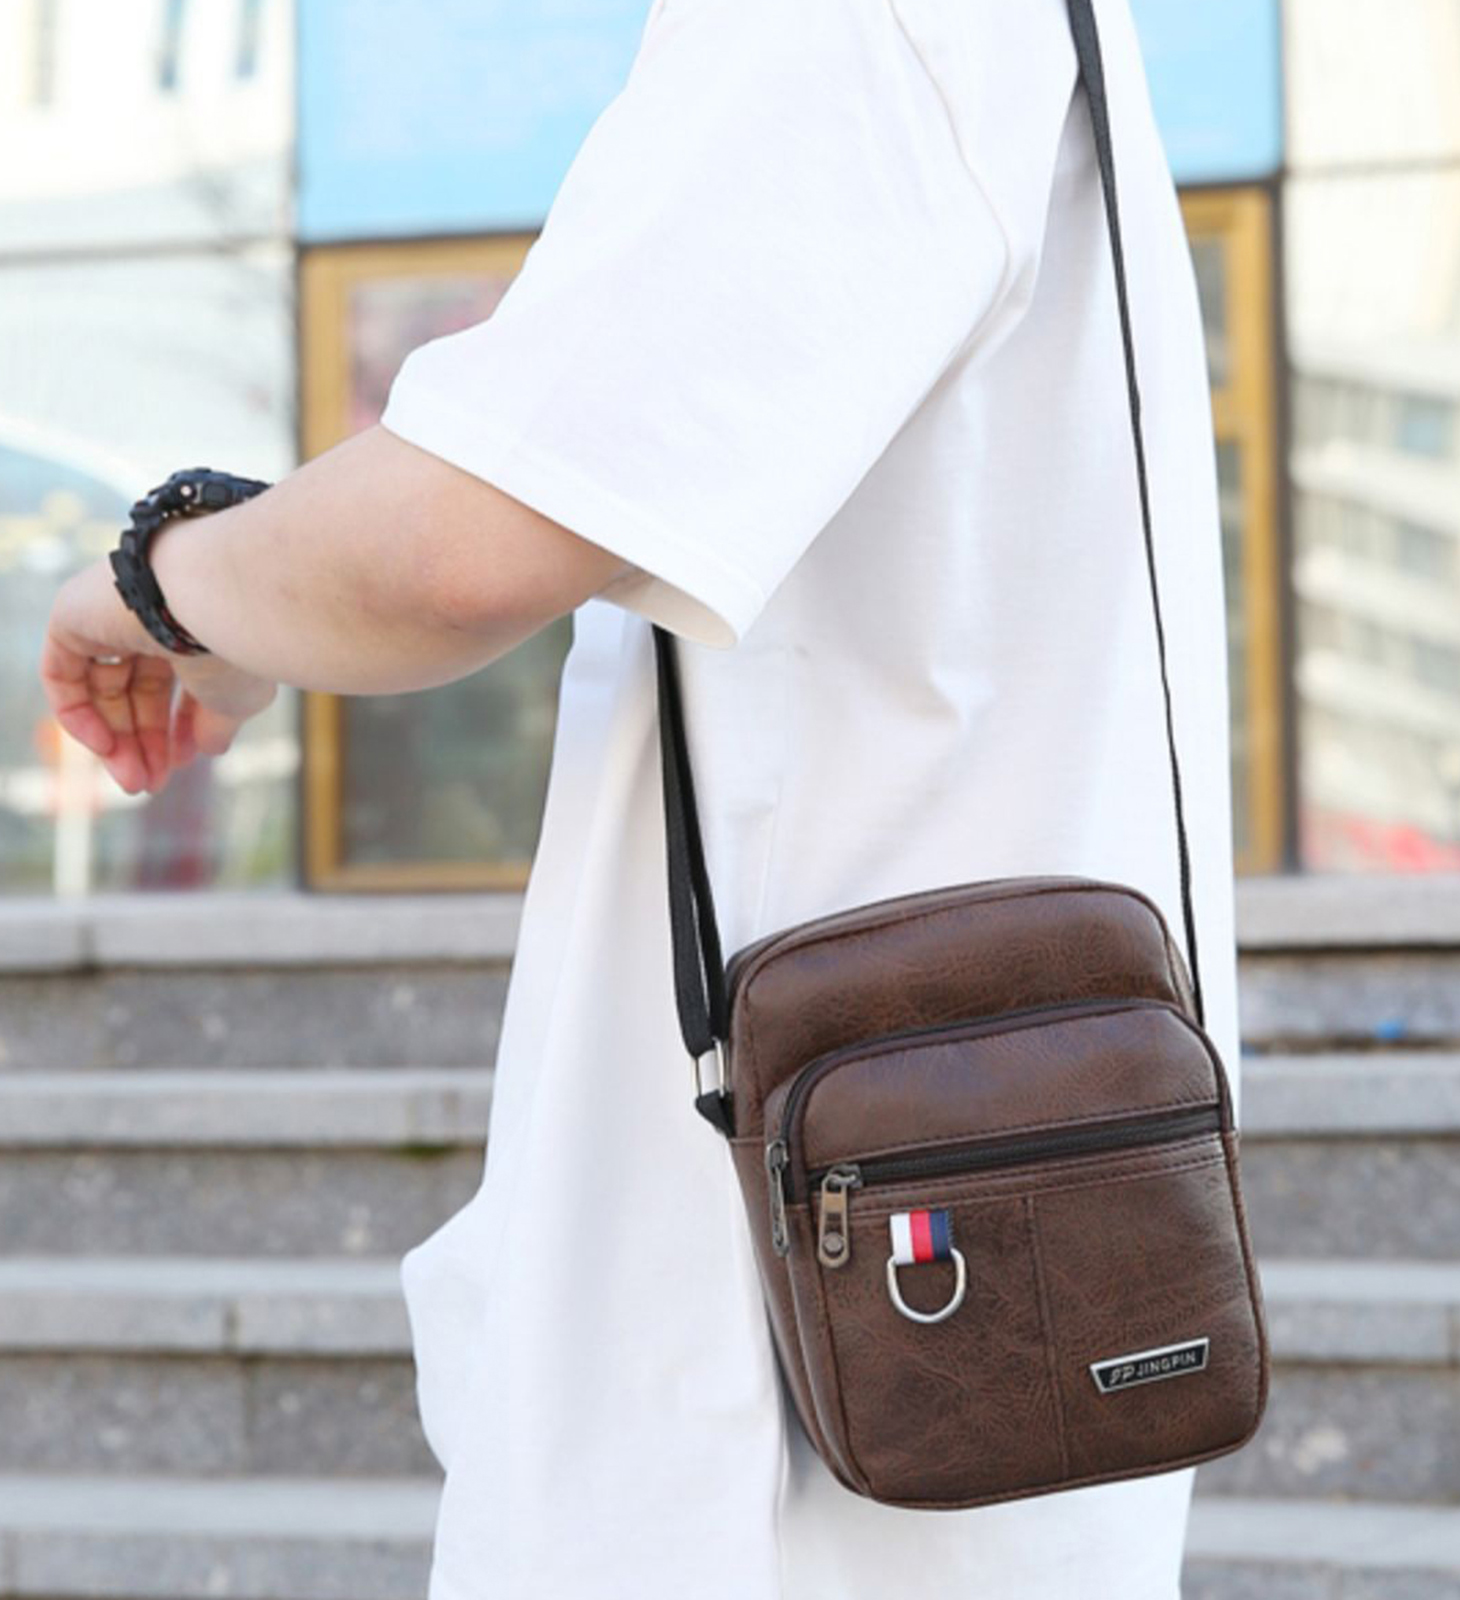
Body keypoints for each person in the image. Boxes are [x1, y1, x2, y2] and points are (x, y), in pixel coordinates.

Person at [40, 0, 1240, 1594]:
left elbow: (456, 547)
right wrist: (250, 609)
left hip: (759, 1472)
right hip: (898, 1392)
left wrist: (158, 581)